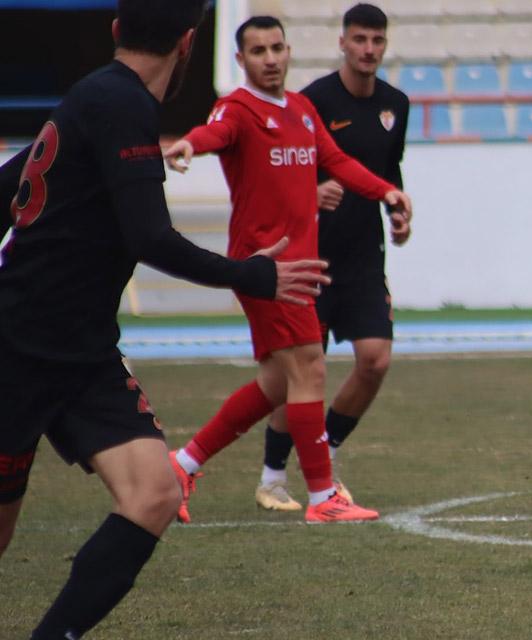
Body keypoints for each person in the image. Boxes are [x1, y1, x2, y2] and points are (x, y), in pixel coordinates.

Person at [0, 1, 331, 636]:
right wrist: (253, 273)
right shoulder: (118, 105)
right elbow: (150, 237)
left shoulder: (94, 98)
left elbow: (10, 184)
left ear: (117, 29)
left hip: (82, 353)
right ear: (188, 43)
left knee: (155, 492)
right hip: (20, 348)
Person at [162, 15, 413, 524]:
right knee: (310, 368)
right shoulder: (238, 108)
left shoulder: (300, 110)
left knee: (278, 383)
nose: (271, 59)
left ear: (288, 50)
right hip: (264, 266)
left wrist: (385, 190)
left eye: (277, 48)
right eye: (258, 51)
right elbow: (215, 132)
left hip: (300, 267)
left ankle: (182, 465)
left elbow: (337, 161)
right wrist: (190, 143)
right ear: (241, 60)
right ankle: (323, 497)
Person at [253, 3, 411, 512]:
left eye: (377, 41)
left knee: (375, 359)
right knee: (301, 371)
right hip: (309, 258)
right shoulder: (310, 102)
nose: (368, 49)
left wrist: (397, 211)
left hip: (365, 256)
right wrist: (312, 190)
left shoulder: (396, 105)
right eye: (359, 39)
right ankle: (272, 477)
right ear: (342, 43)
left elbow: (389, 169)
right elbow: (282, 170)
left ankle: (325, 451)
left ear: (385, 45)